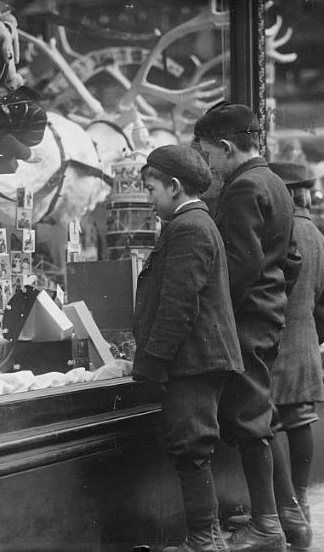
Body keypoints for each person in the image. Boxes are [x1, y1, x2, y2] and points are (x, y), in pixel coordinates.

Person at [192, 102, 302, 552]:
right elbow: (292, 260)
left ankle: (266, 526)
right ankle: (288, 517)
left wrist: (211, 316)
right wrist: (273, 300)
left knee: (249, 419)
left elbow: (237, 268)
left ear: (225, 147)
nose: (207, 165)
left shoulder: (242, 188)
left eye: (207, 154)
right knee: (262, 416)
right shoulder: (275, 183)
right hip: (266, 316)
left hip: (244, 323)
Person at [133, 145, 244, 552]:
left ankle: (204, 542)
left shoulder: (189, 226)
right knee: (192, 446)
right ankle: (207, 539)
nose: (149, 198)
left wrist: (153, 360)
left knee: (191, 447)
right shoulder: (193, 223)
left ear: (175, 186)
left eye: (151, 189)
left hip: (193, 361)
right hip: (197, 358)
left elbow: (179, 303)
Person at [267, 162, 324, 548]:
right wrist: (311, 338)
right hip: (304, 346)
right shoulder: (321, 240)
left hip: (269, 347)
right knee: (299, 424)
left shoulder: (274, 233)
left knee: (265, 427)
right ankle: (301, 502)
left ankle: (281, 510)